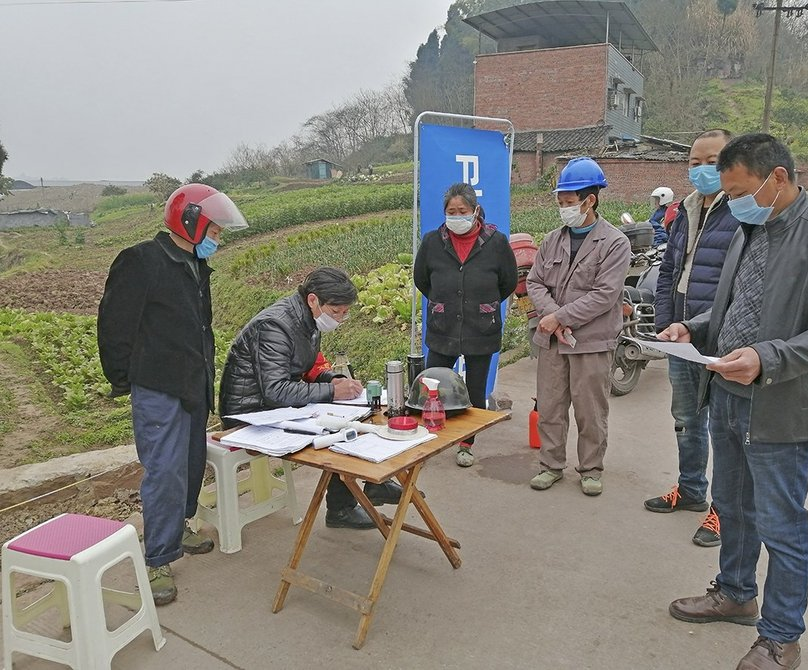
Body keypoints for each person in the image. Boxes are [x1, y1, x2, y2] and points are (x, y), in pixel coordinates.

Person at [660, 133, 808, 669]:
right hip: (728, 394)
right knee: (731, 506)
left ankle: (781, 636)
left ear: (778, 177)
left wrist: (768, 357)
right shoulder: (749, 229)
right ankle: (734, 593)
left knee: (781, 522)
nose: (733, 203)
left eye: (739, 190)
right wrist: (693, 326)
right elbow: (734, 309)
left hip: (781, 403)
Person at [97, 183, 249, 605]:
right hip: (158, 385)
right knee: (163, 470)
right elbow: (114, 324)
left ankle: (177, 525)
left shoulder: (194, 265)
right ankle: (156, 558)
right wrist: (125, 378)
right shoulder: (142, 261)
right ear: (191, 221)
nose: (218, 238)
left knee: (190, 461)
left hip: (191, 381)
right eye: (215, 230)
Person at [218, 267, 403, 530]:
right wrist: (331, 391)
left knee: (354, 417)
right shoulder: (275, 326)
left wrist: (331, 380)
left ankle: (370, 488)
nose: (340, 319)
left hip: (277, 408)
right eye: (335, 311)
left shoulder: (308, 321)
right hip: (250, 414)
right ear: (313, 300)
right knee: (338, 430)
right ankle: (342, 508)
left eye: (345, 312)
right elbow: (276, 390)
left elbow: (303, 369)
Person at [644, 129, 740, 548]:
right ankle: (691, 490)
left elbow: (741, 285)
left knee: (724, 425)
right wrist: (667, 322)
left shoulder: (742, 211)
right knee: (686, 418)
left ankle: (724, 509)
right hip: (680, 333)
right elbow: (668, 271)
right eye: (695, 162)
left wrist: (702, 325)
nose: (702, 170)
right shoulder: (684, 209)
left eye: (712, 162)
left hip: (722, 336)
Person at [525, 157, 631, 496]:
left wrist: (560, 318)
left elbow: (605, 295)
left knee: (591, 412)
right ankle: (550, 466)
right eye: (560, 203)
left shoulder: (615, 243)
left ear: (590, 200)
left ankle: (591, 469)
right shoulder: (552, 240)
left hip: (592, 343)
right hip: (553, 342)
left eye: (569, 203)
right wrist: (552, 317)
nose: (564, 209)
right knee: (550, 408)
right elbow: (535, 281)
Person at [413, 183, 517, 466]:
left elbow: (507, 282)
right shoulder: (433, 242)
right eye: (451, 211)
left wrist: (484, 305)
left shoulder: (496, 243)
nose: (457, 216)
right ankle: (427, 439)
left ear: (476, 211)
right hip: (442, 327)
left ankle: (466, 443)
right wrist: (443, 303)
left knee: (474, 391)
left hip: (480, 329)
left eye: (462, 211)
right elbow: (422, 279)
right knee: (432, 387)